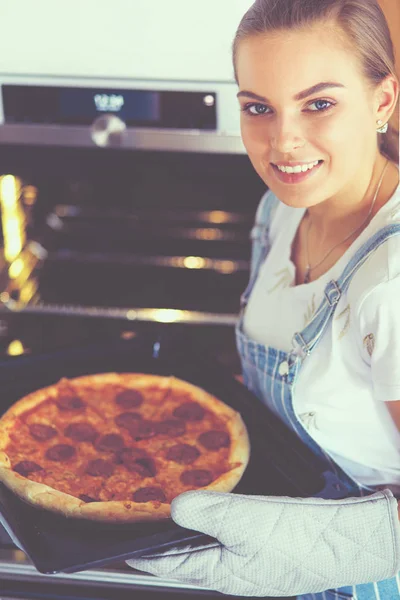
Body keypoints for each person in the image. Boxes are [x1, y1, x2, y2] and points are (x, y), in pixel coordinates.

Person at [127, 0, 400, 597]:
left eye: (319, 103)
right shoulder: (282, 207)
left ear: (382, 101)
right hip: (266, 544)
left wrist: (334, 550)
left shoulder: (392, 282)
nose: (283, 142)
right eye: (258, 108)